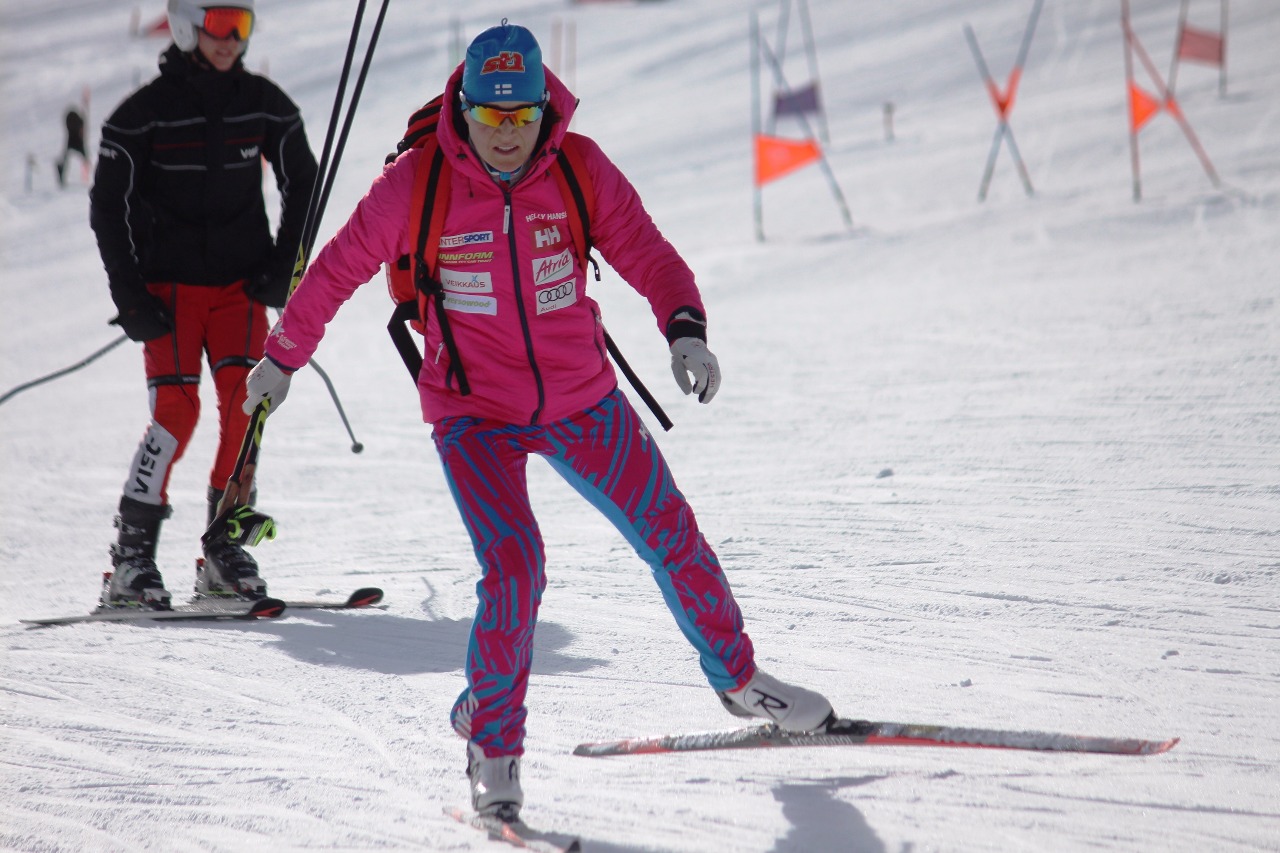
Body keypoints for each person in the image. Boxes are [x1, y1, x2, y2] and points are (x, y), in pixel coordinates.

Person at [243, 21, 834, 819]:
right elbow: (341, 265)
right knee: (516, 566)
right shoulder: (418, 184)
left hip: (581, 396)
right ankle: (495, 743)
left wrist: (684, 326)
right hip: (473, 413)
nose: (509, 136)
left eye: (522, 117)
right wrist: (282, 356)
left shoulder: (578, 169)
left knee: (671, 532)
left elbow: (648, 251)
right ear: (466, 108)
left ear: (543, 109)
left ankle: (738, 681)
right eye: (493, 118)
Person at [89, 0, 317, 610]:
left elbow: (304, 178)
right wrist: (129, 295)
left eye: (242, 26)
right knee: (177, 412)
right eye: (220, 24)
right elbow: (107, 207)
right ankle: (132, 559)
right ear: (189, 25)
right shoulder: (142, 116)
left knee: (248, 407)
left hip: (239, 290)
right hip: (168, 294)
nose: (231, 40)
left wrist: (282, 267)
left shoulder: (263, 102)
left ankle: (224, 549)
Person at [55, 106, 89, 187]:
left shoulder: (76, 121)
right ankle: (62, 176)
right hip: (75, 142)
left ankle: (86, 177)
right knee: (83, 158)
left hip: (74, 142)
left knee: (84, 159)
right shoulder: (77, 121)